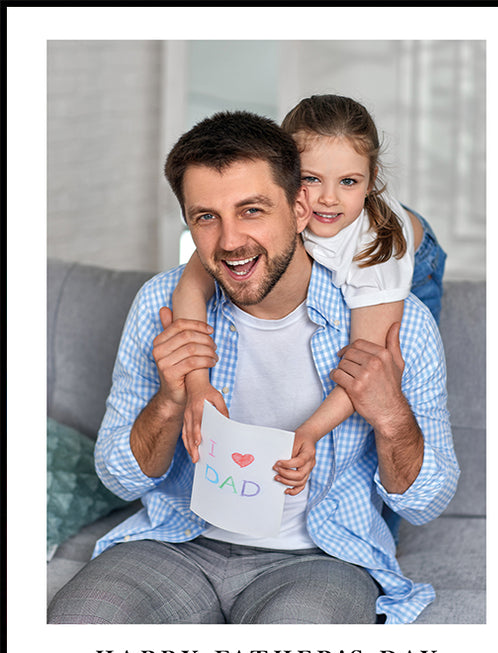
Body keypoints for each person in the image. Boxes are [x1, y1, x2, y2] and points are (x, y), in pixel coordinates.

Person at [47, 110, 459, 625]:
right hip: (178, 542)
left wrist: (392, 416)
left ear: (301, 208)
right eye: (205, 217)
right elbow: (120, 479)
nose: (230, 241)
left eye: (252, 210)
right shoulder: (164, 303)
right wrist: (172, 399)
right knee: (77, 626)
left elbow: (426, 504)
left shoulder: (397, 318)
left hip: (321, 559)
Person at [171, 96, 447, 531]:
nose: (328, 200)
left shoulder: (376, 256)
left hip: (416, 259)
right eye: (311, 179)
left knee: (392, 383)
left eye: (350, 182)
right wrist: (198, 385)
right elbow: (189, 287)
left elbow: (365, 368)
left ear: (372, 181)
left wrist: (310, 432)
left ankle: (378, 539)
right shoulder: (255, 223)